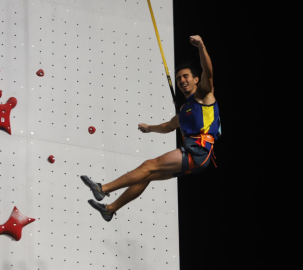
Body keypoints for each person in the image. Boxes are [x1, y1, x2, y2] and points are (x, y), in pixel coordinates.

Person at [81, 35, 221, 221]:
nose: (181, 80)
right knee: (146, 176)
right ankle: (110, 209)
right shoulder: (184, 109)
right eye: (179, 78)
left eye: (185, 76)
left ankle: (103, 188)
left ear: (196, 79)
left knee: (149, 165)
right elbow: (169, 126)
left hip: (199, 150)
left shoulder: (204, 95)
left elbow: (208, 72)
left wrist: (201, 47)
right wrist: (150, 128)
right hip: (196, 154)